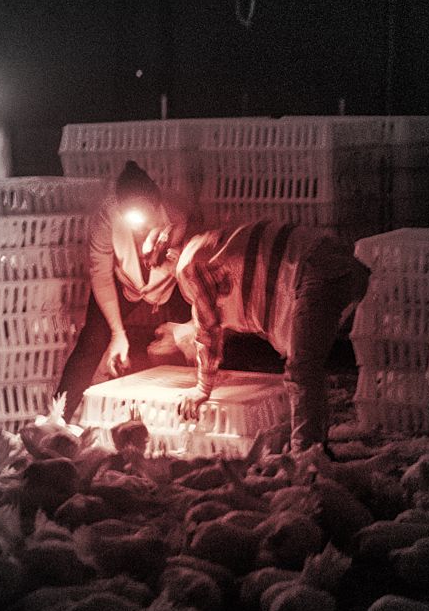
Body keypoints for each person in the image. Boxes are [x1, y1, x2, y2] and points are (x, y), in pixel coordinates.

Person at [170, 219, 371, 453]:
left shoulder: (188, 263)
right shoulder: (212, 246)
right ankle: (315, 446)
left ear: (170, 256)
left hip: (318, 269)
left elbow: (208, 325)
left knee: (303, 368)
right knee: (307, 364)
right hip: (337, 263)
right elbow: (223, 308)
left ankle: (307, 456)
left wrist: (203, 387)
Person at [55, 162, 196, 423]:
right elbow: (101, 275)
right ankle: (57, 420)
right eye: (132, 218)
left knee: (199, 336)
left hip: (173, 282)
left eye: (145, 216)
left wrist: (187, 327)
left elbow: (197, 261)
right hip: (125, 285)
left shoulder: (178, 213)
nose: (139, 228)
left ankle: (199, 410)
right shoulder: (106, 218)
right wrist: (118, 334)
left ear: (156, 204)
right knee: (92, 340)